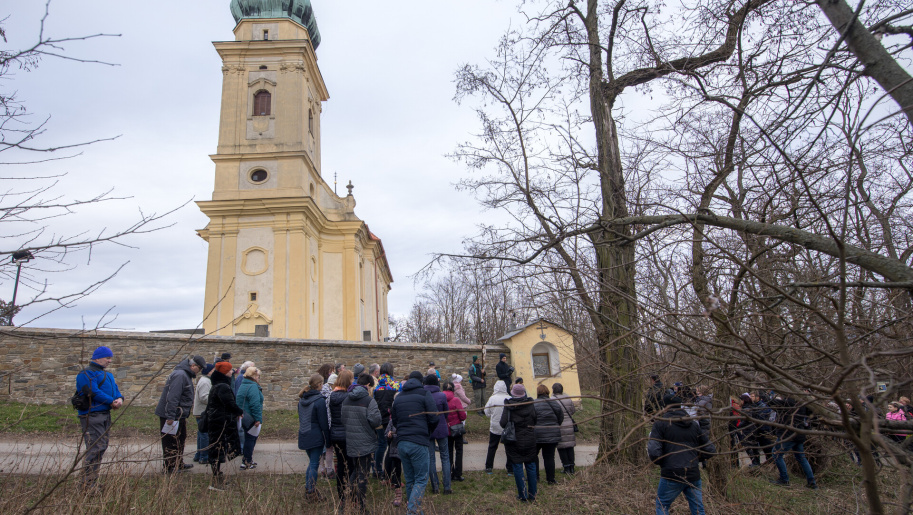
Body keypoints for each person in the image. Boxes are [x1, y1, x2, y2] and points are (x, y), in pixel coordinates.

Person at [649, 394, 715, 514]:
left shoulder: (660, 424)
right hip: (692, 472)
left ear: (665, 406)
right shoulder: (694, 425)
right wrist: (695, 458)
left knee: (662, 504)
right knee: (698, 509)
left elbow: (654, 452)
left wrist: (664, 462)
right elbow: (710, 449)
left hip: (671, 473)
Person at [75, 346, 124, 489]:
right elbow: (92, 392)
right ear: (97, 358)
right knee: (95, 447)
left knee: (101, 447)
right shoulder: (86, 374)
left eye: (110, 358)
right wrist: (111, 401)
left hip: (104, 414)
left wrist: (119, 398)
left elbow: (115, 389)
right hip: (92, 415)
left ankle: (91, 481)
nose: (109, 361)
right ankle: (87, 483)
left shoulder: (108, 375)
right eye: (107, 358)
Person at [392, 371, 440, 515]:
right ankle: (412, 511)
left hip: (402, 442)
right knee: (421, 479)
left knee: (410, 478)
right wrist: (427, 432)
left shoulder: (399, 397)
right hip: (418, 441)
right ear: (422, 382)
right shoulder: (425, 394)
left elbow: (394, 420)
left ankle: (415, 510)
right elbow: (434, 417)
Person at [155, 355, 205, 474]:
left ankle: (178, 463)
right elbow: (173, 397)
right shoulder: (180, 375)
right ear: (193, 366)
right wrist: (170, 416)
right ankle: (170, 467)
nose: (200, 372)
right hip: (172, 415)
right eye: (200, 368)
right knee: (170, 441)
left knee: (180, 439)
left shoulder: (185, 375)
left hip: (179, 415)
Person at [341, 373, 382, 512]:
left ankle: (346, 500)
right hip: (365, 442)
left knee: (355, 471)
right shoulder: (369, 401)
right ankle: (361, 506)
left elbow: (343, 419)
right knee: (363, 474)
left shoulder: (346, 399)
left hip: (351, 441)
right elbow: (376, 421)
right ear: (368, 386)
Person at [206, 361, 243, 491]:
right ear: (224, 372)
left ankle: (217, 476)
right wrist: (239, 412)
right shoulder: (222, 387)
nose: (232, 372)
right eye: (230, 370)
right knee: (217, 450)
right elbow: (229, 403)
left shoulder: (217, 385)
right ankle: (216, 481)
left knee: (217, 449)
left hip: (216, 420)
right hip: (220, 422)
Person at [768, 395, 817, 489]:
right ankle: (812, 482)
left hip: (787, 435)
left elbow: (770, 402)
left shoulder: (787, 403)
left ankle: (784, 479)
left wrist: (762, 393)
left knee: (776, 454)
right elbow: (811, 414)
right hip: (799, 434)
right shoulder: (802, 404)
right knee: (801, 458)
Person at [501, 383, 538, 502]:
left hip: (514, 440)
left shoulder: (509, 405)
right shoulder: (531, 404)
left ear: (513, 393)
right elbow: (535, 419)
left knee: (517, 466)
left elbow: (503, 423)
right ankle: (533, 494)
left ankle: (522, 495)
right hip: (529, 439)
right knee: (531, 465)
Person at [298, 373, 331, 500]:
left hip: (304, 433)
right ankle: (311, 492)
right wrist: (328, 440)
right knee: (313, 464)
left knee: (311, 463)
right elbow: (323, 423)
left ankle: (309, 488)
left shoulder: (302, 400)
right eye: (322, 383)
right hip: (315, 435)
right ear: (319, 385)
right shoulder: (319, 401)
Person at [329, 370, 355, 505]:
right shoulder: (349, 397)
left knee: (340, 464)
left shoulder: (332, 396)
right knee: (350, 465)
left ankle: (341, 494)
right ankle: (350, 492)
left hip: (336, 434)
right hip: (348, 434)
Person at [424, 373, 452, 494]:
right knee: (445, 457)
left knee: (430, 458)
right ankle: (447, 487)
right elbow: (446, 413)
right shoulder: (441, 395)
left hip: (429, 429)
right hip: (441, 427)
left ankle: (435, 486)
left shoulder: (424, 395)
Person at [533, 384, 564, 484]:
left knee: (534, 456)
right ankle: (550, 479)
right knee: (549, 457)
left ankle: (535, 477)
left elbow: (530, 418)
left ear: (537, 393)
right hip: (552, 433)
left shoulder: (533, 403)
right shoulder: (554, 403)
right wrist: (555, 426)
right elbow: (560, 418)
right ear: (548, 392)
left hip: (537, 434)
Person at [373, 362, 400, 478]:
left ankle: (378, 470)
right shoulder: (396, 386)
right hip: (391, 419)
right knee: (392, 448)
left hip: (380, 419)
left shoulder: (377, 387)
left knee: (381, 445)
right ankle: (391, 474)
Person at [236, 366, 264, 470]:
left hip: (243, 416)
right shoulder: (253, 387)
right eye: (258, 376)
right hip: (251, 417)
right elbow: (255, 404)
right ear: (254, 376)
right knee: (250, 439)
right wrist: (258, 419)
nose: (259, 378)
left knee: (248, 438)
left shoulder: (244, 384)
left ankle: (247, 460)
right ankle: (246, 461)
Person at [484, 380, 513, 474]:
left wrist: (491, 415)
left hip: (495, 426)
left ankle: (489, 467)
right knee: (509, 448)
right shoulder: (509, 398)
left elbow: (486, 411)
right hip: (506, 426)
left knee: (492, 446)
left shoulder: (492, 399)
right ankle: (510, 468)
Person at [442, 381, 467, 481]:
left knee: (449, 451)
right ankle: (458, 473)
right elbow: (463, 416)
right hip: (456, 429)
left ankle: (449, 473)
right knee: (459, 451)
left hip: (446, 429)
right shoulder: (456, 400)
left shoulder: (441, 399)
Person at [744, 391, 776, 466]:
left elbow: (761, 418)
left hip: (764, 430)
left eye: (752, 396)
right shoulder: (754, 406)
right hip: (758, 430)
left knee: (767, 448)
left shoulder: (762, 406)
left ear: (757, 397)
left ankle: (772, 464)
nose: (751, 398)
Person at [316, 363, 336, 479]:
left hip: (319, 421)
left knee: (322, 448)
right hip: (326, 421)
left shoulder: (320, 389)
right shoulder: (327, 390)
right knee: (328, 448)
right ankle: (327, 470)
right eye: (331, 370)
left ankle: (323, 469)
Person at [552, 382, 577, 474]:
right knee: (570, 446)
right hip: (569, 424)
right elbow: (572, 410)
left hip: (559, 425)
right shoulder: (568, 398)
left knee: (561, 447)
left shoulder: (552, 400)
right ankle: (572, 467)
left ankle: (566, 467)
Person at [193, 363, 215, 465]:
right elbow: (204, 397)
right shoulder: (205, 382)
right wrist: (215, 398)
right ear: (209, 371)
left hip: (201, 412)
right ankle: (204, 456)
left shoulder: (205, 380)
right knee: (204, 434)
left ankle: (199, 454)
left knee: (201, 434)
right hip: (202, 412)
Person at [385, 415, 403, 507]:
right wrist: (389, 435)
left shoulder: (409, 419)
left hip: (406, 447)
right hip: (395, 449)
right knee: (397, 469)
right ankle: (397, 489)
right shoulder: (393, 421)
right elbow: (386, 433)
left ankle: (413, 494)